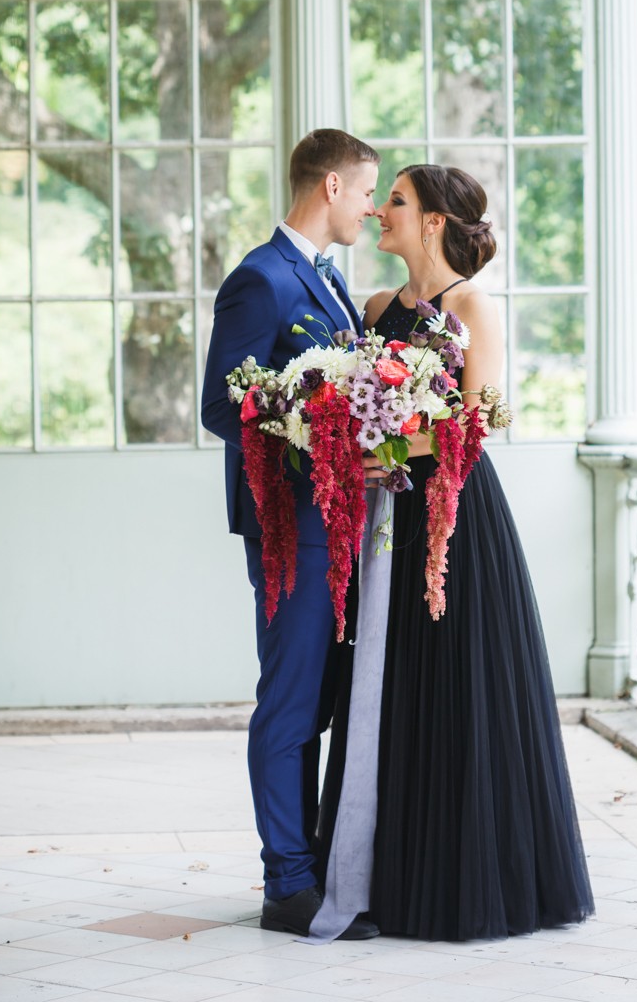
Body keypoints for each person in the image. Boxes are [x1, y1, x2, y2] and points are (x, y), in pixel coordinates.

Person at [315, 163, 594, 942]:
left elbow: (479, 419)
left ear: (433, 220)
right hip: (384, 521)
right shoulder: (373, 309)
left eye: (394, 202)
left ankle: (466, 878)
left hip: (454, 518)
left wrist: (399, 445)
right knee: (387, 685)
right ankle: (384, 874)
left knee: (456, 683)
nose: (379, 213)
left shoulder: (472, 307)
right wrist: (352, 444)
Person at [201, 129, 381, 940]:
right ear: (332, 186)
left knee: (323, 701)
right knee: (288, 703)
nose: (372, 207)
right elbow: (219, 405)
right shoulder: (259, 279)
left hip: (340, 525)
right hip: (289, 524)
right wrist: (312, 432)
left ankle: (316, 866)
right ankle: (287, 886)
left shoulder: (333, 283)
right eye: (368, 190)